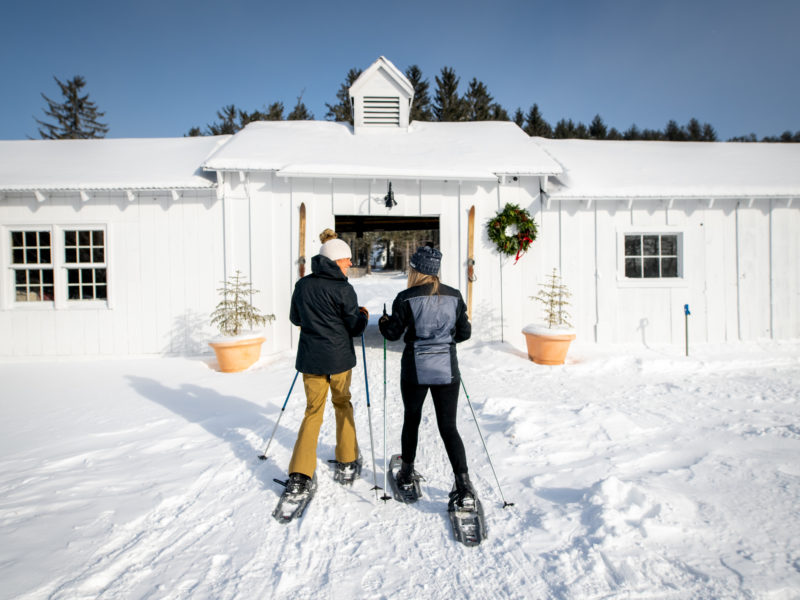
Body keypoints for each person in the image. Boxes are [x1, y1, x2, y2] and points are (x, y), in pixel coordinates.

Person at [378, 246, 475, 510]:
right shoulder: (454, 296)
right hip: (446, 369)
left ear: (416, 270)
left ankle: (407, 472)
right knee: (448, 427)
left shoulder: (406, 297)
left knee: (412, 419)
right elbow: (464, 333)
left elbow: (392, 334)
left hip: (415, 370)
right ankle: (464, 484)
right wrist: (444, 339)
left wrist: (384, 322)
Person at [283, 237, 369, 497]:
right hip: (339, 360)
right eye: (347, 259)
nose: (350, 263)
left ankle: (300, 473)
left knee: (313, 411)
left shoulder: (303, 285)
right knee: (342, 404)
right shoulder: (343, 288)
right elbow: (354, 326)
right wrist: (363, 315)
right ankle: (347, 458)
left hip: (311, 360)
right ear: (335, 260)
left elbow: (295, 318)